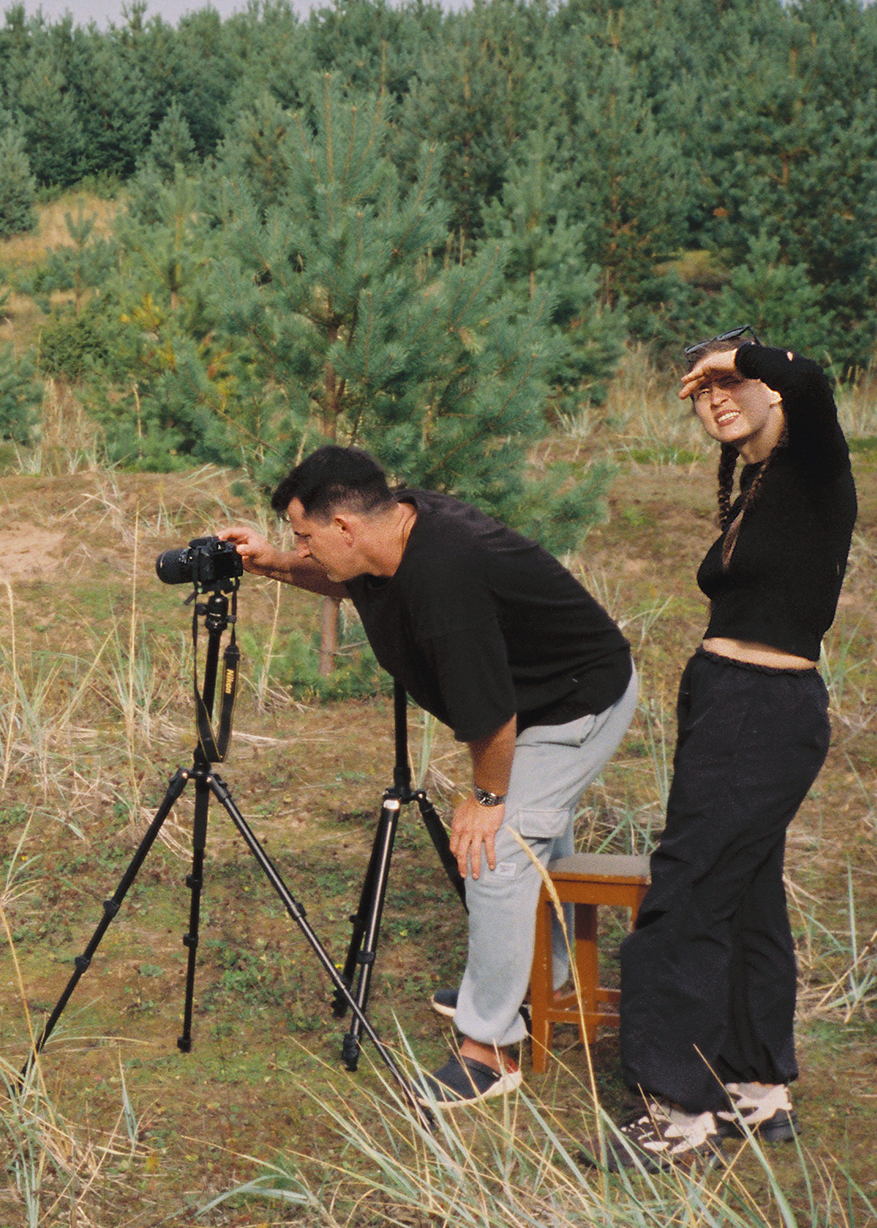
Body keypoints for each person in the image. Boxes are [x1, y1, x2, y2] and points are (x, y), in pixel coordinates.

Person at [221, 446, 637, 1104]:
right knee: (528, 845)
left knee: (497, 851)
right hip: (535, 699)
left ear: (346, 527)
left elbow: (494, 719)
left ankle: (490, 1050)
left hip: (574, 705)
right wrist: (270, 563)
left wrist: (488, 796)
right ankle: (535, 985)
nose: (302, 549)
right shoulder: (392, 530)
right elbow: (345, 578)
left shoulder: (446, 575)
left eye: (304, 538)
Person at [597, 328, 856, 1171]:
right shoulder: (764, 484)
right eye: (701, 387)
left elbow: (810, 374)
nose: (714, 396)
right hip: (737, 704)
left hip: (761, 706)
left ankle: (677, 1110)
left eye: (730, 382)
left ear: (769, 390)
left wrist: (744, 360)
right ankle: (753, 1086)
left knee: (688, 891)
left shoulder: (816, 461)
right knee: (745, 893)